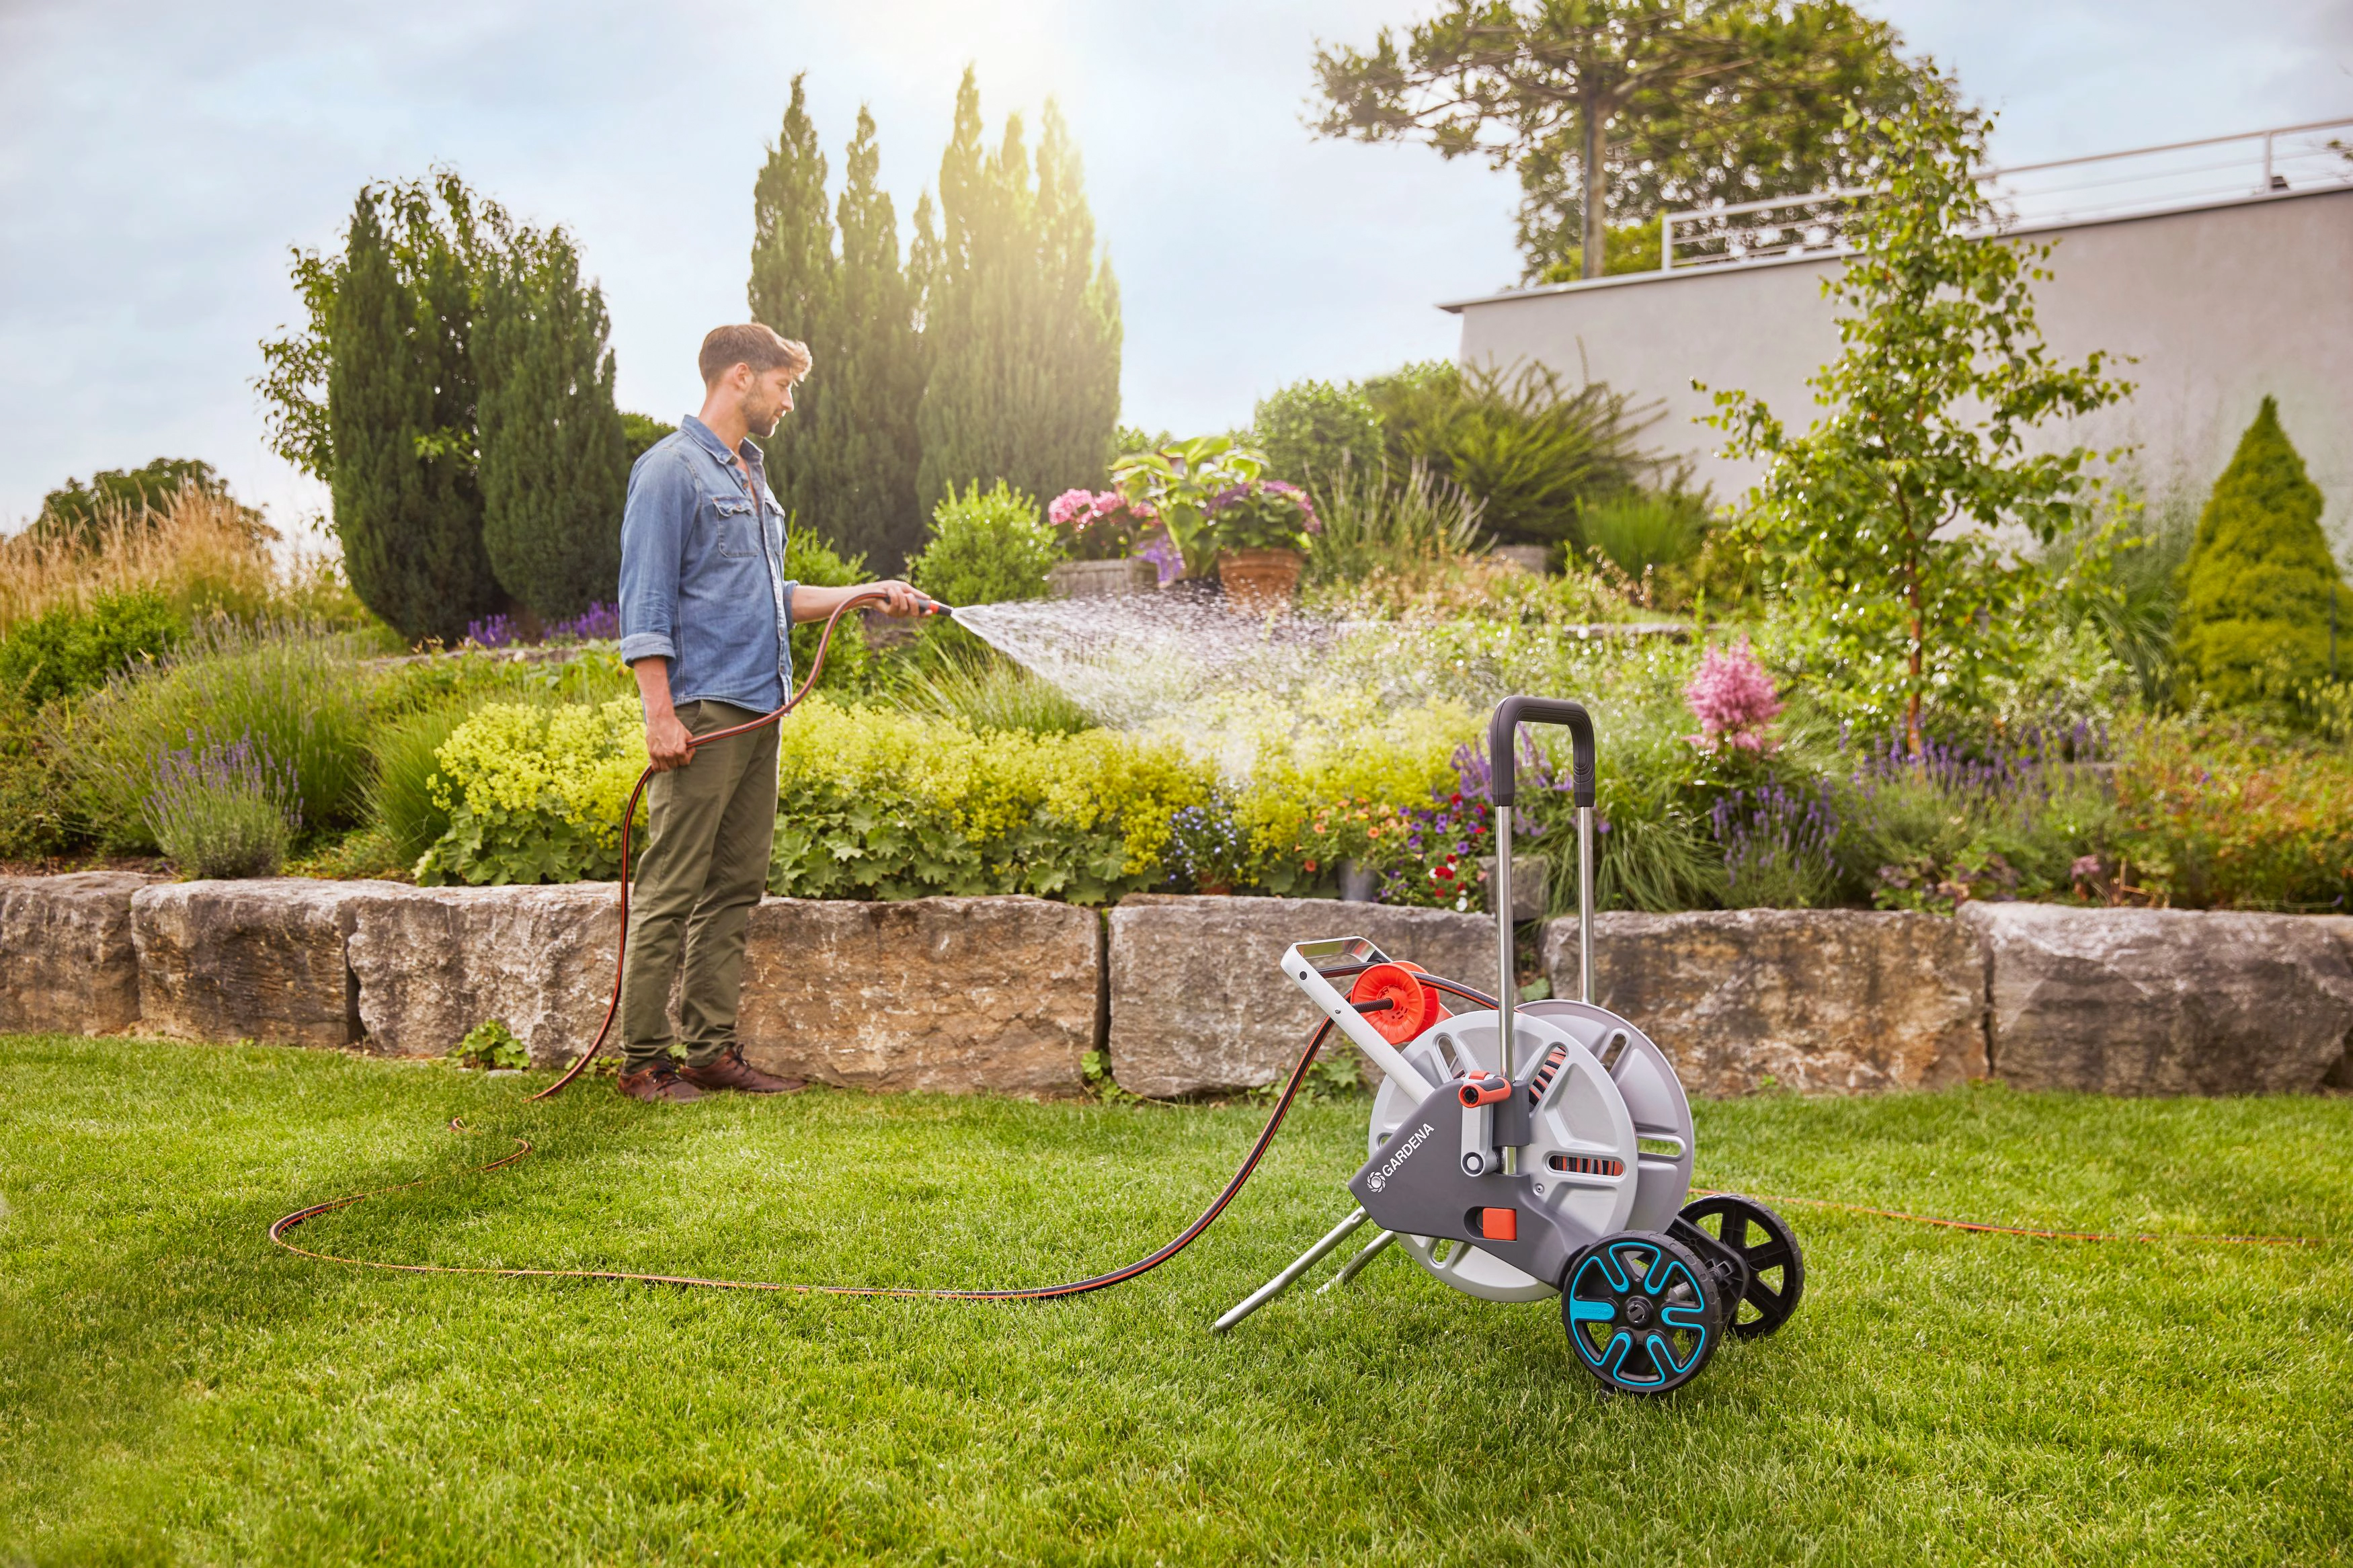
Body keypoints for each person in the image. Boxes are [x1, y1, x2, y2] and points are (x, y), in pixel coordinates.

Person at [612, 323, 928, 1103]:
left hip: (759, 710)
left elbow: (775, 598)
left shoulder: (754, 479)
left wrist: (864, 593)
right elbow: (645, 602)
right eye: (783, 386)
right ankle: (643, 1061)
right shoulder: (670, 472)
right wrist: (660, 713)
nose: (788, 402)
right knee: (671, 886)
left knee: (734, 886)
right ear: (741, 377)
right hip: (705, 709)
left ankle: (709, 1051)